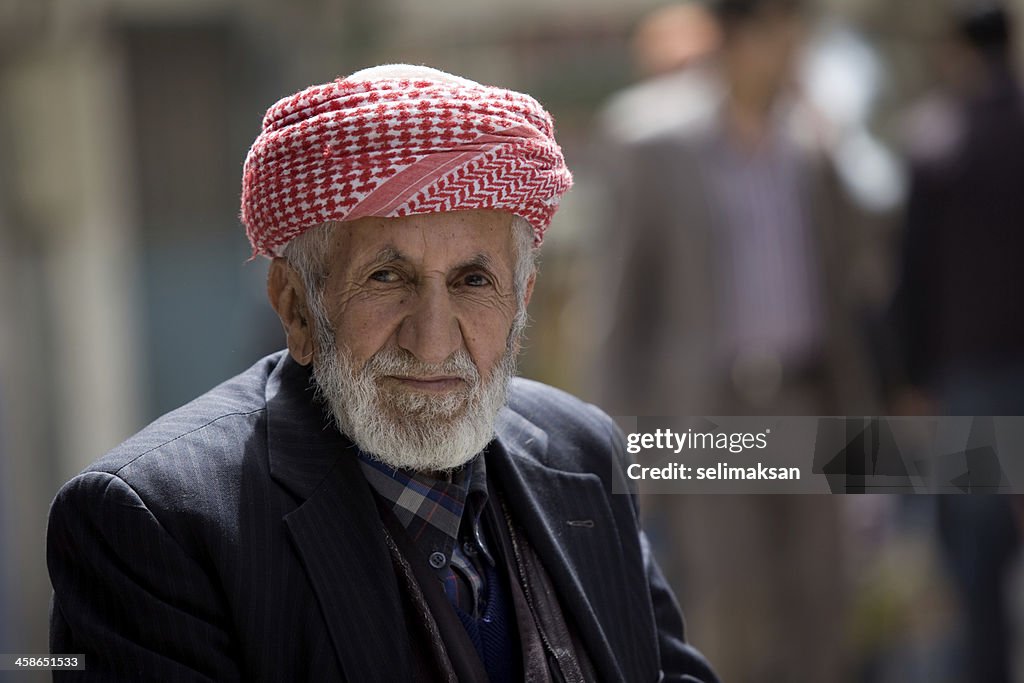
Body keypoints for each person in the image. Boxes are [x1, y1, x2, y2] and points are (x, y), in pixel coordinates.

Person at [45, 64, 718, 682]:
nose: (431, 341)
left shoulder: (581, 452)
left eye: (473, 280)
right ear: (296, 305)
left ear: (522, 302)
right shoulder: (152, 524)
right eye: (386, 277)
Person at [591, 1, 879, 681]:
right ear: (741, 36)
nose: (795, 48)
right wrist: (622, 455)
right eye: (783, 31)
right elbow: (619, 313)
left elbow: (863, 270)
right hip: (708, 413)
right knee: (729, 611)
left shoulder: (814, 141)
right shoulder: (651, 140)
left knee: (821, 605)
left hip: (808, 401)